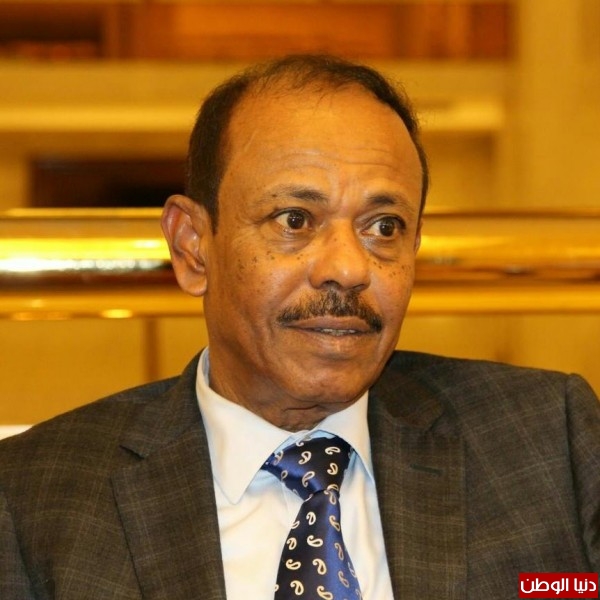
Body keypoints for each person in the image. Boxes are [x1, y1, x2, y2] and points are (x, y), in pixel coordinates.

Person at [0, 54, 598, 600]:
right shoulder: (34, 499)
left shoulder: (549, 440)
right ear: (192, 248)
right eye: (295, 220)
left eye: (384, 227)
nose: (348, 268)